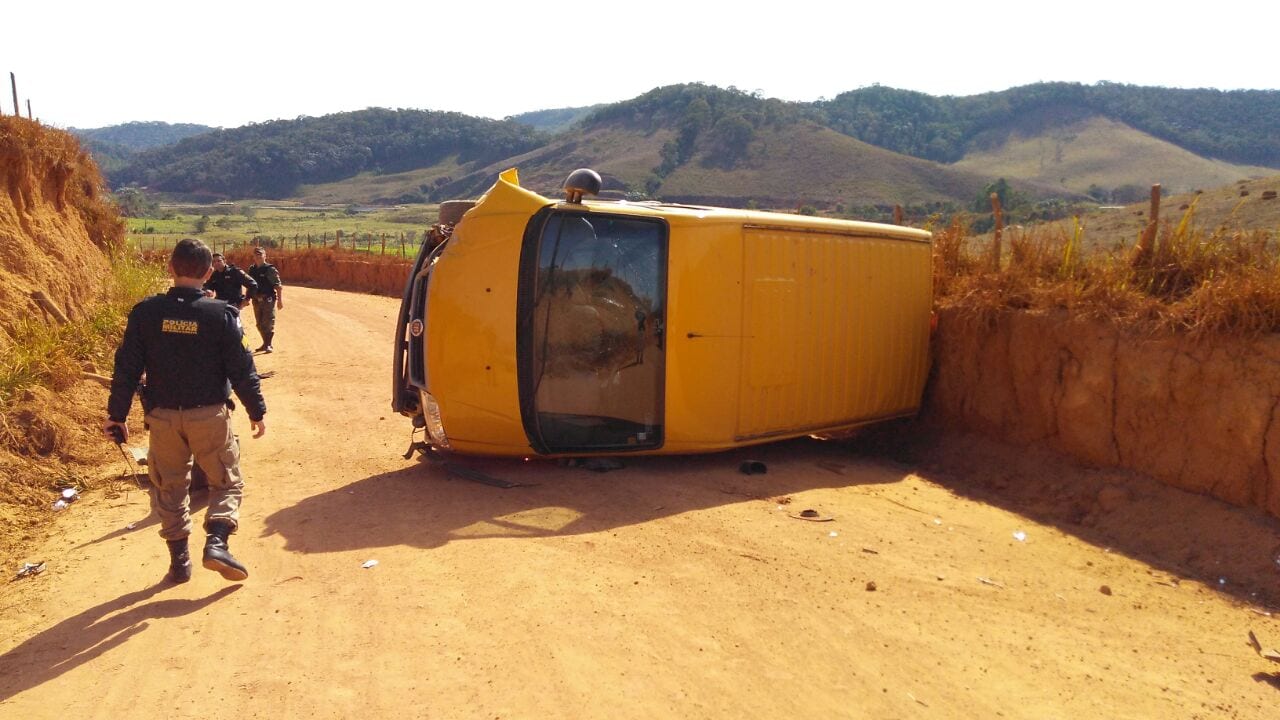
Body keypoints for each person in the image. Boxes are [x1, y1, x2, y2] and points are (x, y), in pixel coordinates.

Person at [104, 238, 267, 584]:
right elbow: (242, 368)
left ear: (170, 268)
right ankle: (217, 544)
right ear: (209, 273)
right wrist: (257, 409)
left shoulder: (145, 313)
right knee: (226, 482)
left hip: (162, 418)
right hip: (209, 416)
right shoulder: (222, 314)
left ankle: (180, 562)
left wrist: (116, 415)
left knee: (170, 488)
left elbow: (126, 368)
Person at [246, 246, 284, 353]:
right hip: (256, 300)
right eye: (256, 255)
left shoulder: (270, 269)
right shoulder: (252, 269)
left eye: (260, 255)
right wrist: (247, 298)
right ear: (253, 257)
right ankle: (265, 343)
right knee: (259, 324)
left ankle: (269, 345)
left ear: (265, 256)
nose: (258, 257)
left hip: (268, 299)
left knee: (268, 322)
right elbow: (249, 285)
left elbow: (278, 286)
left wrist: (280, 301)